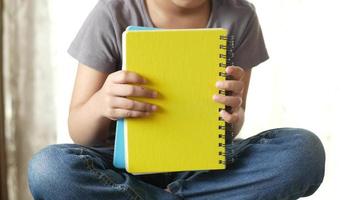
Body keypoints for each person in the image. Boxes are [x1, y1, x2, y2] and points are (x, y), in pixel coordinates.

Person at [28, 0, 325, 199]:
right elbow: (79, 131)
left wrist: (233, 115)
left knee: (304, 152)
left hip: (203, 167)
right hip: (120, 168)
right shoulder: (113, 12)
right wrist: (101, 103)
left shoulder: (239, 14)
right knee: (49, 169)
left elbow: (230, 128)